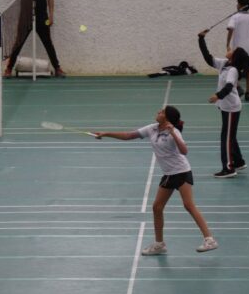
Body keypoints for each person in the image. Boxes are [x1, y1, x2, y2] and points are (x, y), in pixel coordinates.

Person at [93, 106, 218, 255]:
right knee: (157, 207)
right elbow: (129, 135)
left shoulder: (174, 132)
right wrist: (107, 133)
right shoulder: (152, 129)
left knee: (189, 205)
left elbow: (184, 151)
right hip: (168, 174)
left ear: (167, 117)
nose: (158, 112)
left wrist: (173, 133)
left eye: (162, 112)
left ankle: (210, 240)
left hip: (182, 172)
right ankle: (159, 244)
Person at [199, 29, 249, 178]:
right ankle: (239, 162)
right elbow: (208, 59)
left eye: (232, 50)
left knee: (226, 137)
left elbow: (228, 87)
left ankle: (228, 168)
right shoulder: (224, 64)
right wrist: (201, 39)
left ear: (235, 57)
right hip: (226, 107)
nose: (229, 50)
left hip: (231, 108)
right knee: (230, 136)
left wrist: (217, 96)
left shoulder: (233, 70)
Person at [5, 0, 65, 78]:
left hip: (42, 17)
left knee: (48, 42)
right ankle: (8, 69)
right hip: (25, 17)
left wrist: (51, 15)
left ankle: (58, 68)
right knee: (18, 43)